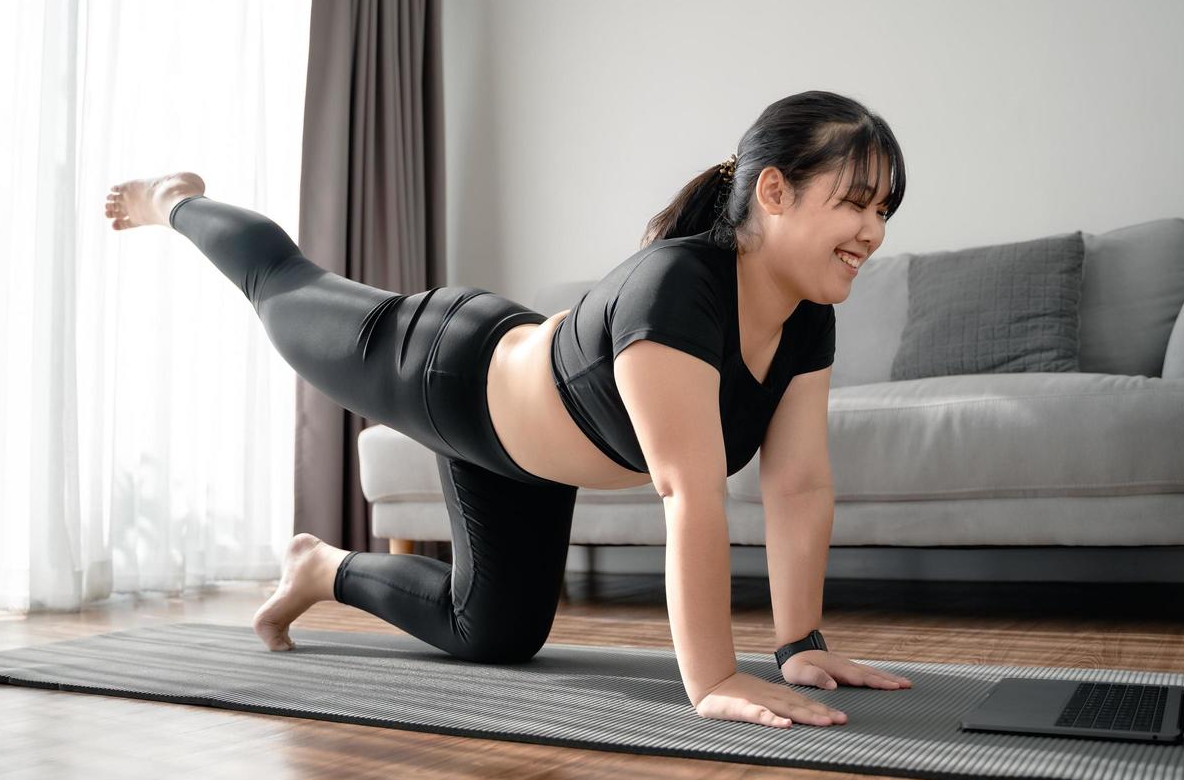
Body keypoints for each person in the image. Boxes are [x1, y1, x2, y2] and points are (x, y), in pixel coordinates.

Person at [103, 89, 914, 730]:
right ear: (774, 191)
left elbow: (799, 486)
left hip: (528, 461)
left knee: (493, 634)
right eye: (856, 203)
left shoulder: (809, 318)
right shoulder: (679, 290)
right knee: (281, 286)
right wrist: (713, 680)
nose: (872, 230)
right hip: (448, 371)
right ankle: (175, 200)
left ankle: (320, 568)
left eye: (884, 211)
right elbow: (690, 494)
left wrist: (799, 647)